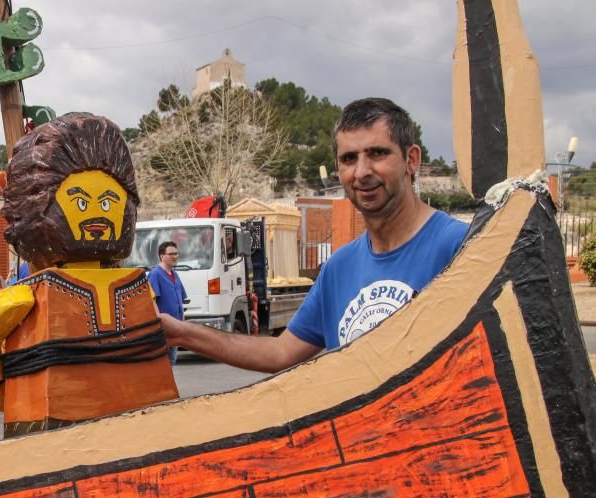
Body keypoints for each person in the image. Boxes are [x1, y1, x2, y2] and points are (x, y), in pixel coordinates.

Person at [162, 97, 468, 372]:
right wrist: (180, 333)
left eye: (377, 153)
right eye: (349, 159)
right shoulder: (339, 268)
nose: (361, 172)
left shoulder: (462, 249)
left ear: (411, 160)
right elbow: (280, 352)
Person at [148, 241, 188, 364]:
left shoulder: (175, 275)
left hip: (176, 327)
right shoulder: (155, 274)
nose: (174, 256)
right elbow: (151, 300)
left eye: (176, 254)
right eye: (171, 254)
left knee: (172, 361)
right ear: (161, 256)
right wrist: (159, 321)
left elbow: (180, 301)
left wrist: (183, 322)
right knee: (164, 362)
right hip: (163, 328)